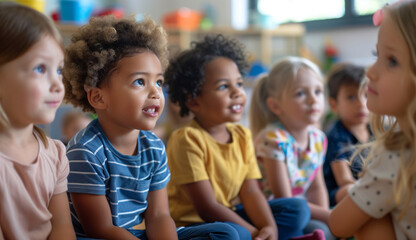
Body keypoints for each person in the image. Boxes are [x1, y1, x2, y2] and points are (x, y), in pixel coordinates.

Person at [63, 16, 241, 239]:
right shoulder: (85, 151)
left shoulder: (154, 147)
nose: (156, 92)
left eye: (158, 82)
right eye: (139, 81)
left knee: (229, 233)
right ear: (98, 97)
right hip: (98, 237)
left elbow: (158, 216)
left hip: (133, 235)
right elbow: (100, 229)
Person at [165, 34, 319, 240]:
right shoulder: (186, 139)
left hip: (229, 215)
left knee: (297, 208)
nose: (237, 92)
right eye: (223, 86)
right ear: (193, 101)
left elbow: (250, 192)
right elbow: (206, 207)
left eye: (238, 83)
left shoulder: (241, 134)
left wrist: (268, 227)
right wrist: (255, 232)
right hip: (193, 226)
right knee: (231, 234)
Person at [329, 1, 416, 239]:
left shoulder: (399, 154)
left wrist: (361, 196)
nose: (370, 72)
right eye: (377, 55)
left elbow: (338, 224)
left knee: (366, 218)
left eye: (392, 60)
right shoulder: (336, 134)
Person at [0, 3, 75, 239]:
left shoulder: (55, 153)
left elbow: (62, 227)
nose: (57, 84)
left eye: (59, 70)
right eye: (40, 68)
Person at [250, 56, 335, 240]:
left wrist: (329, 217)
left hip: (302, 208)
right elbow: (284, 199)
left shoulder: (318, 138)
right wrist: (331, 218)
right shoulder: (273, 139)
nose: (313, 100)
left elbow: (316, 187)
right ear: (275, 106)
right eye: (300, 94)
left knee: (328, 228)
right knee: (320, 227)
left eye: (318, 91)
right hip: (277, 213)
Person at [323, 63, 371, 207]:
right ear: (334, 105)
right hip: (342, 194)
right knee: (349, 190)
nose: (361, 104)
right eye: (351, 97)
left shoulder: (377, 131)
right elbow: (344, 180)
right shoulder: (336, 136)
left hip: (373, 190)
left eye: (366, 95)